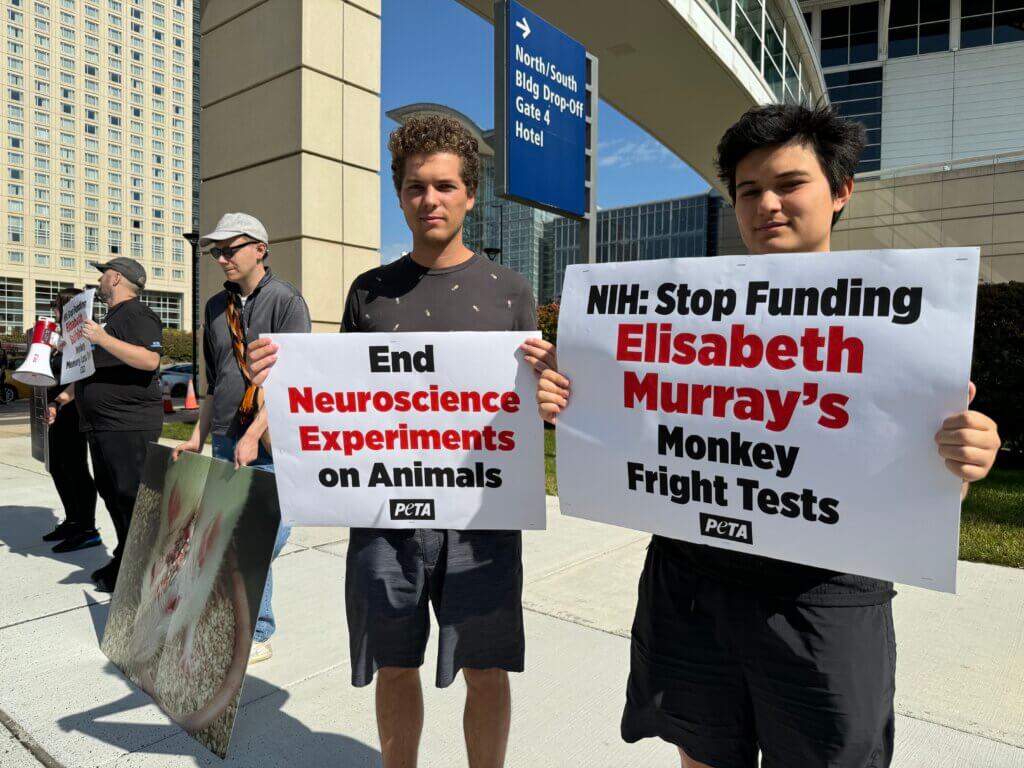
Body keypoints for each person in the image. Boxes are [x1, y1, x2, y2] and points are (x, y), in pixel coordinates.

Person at [523, 105, 1002, 768]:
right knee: (702, 752)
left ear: (840, 191)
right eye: (748, 191)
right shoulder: (679, 317)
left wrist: (967, 457)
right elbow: (627, 418)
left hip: (823, 600)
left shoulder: (899, 325)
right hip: (691, 583)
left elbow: (919, 484)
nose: (767, 204)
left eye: (789, 184)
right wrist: (568, 404)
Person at [247, 114, 536, 768]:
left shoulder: (510, 292)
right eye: (413, 187)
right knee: (393, 665)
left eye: (443, 186)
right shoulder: (369, 293)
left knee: (487, 669)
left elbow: (525, 415)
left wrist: (547, 400)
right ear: (399, 194)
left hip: (481, 520)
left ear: (469, 193)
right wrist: (278, 384)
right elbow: (339, 403)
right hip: (382, 518)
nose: (428, 199)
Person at [172, 211, 310, 665]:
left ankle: (257, 627)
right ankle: (249, 624)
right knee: (233, 534)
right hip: (227, 438)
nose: (222, 258)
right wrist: (198, 436)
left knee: (264, 535)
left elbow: (293, 381)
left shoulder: (286, 302)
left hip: (273, 440)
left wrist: (256, 433)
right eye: (216, 251)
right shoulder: (215, 308)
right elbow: (213, 383)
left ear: (260, 249)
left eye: (230, 249)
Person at [61, 257, 164, 593]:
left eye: (104, 274)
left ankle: (143, 571)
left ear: (116, 278)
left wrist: (102, 339)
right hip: (103, 425)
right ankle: (125, 558)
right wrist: (62, 398)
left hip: (128, 425)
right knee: (113, 494)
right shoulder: (112, 319)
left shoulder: (136, 313)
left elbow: (150, 359)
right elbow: (96, 367)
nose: (100, 280)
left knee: (131, 497)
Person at [42, 288, 100, 553]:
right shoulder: (60, 338)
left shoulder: (82, 337)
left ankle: (87, 528)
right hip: (53, 410)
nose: (54, 310)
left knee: (75, 467)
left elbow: (83, 373)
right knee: (56, 466)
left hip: (72, 409)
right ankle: (73, 519)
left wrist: (61, 400)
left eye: (57, 306)